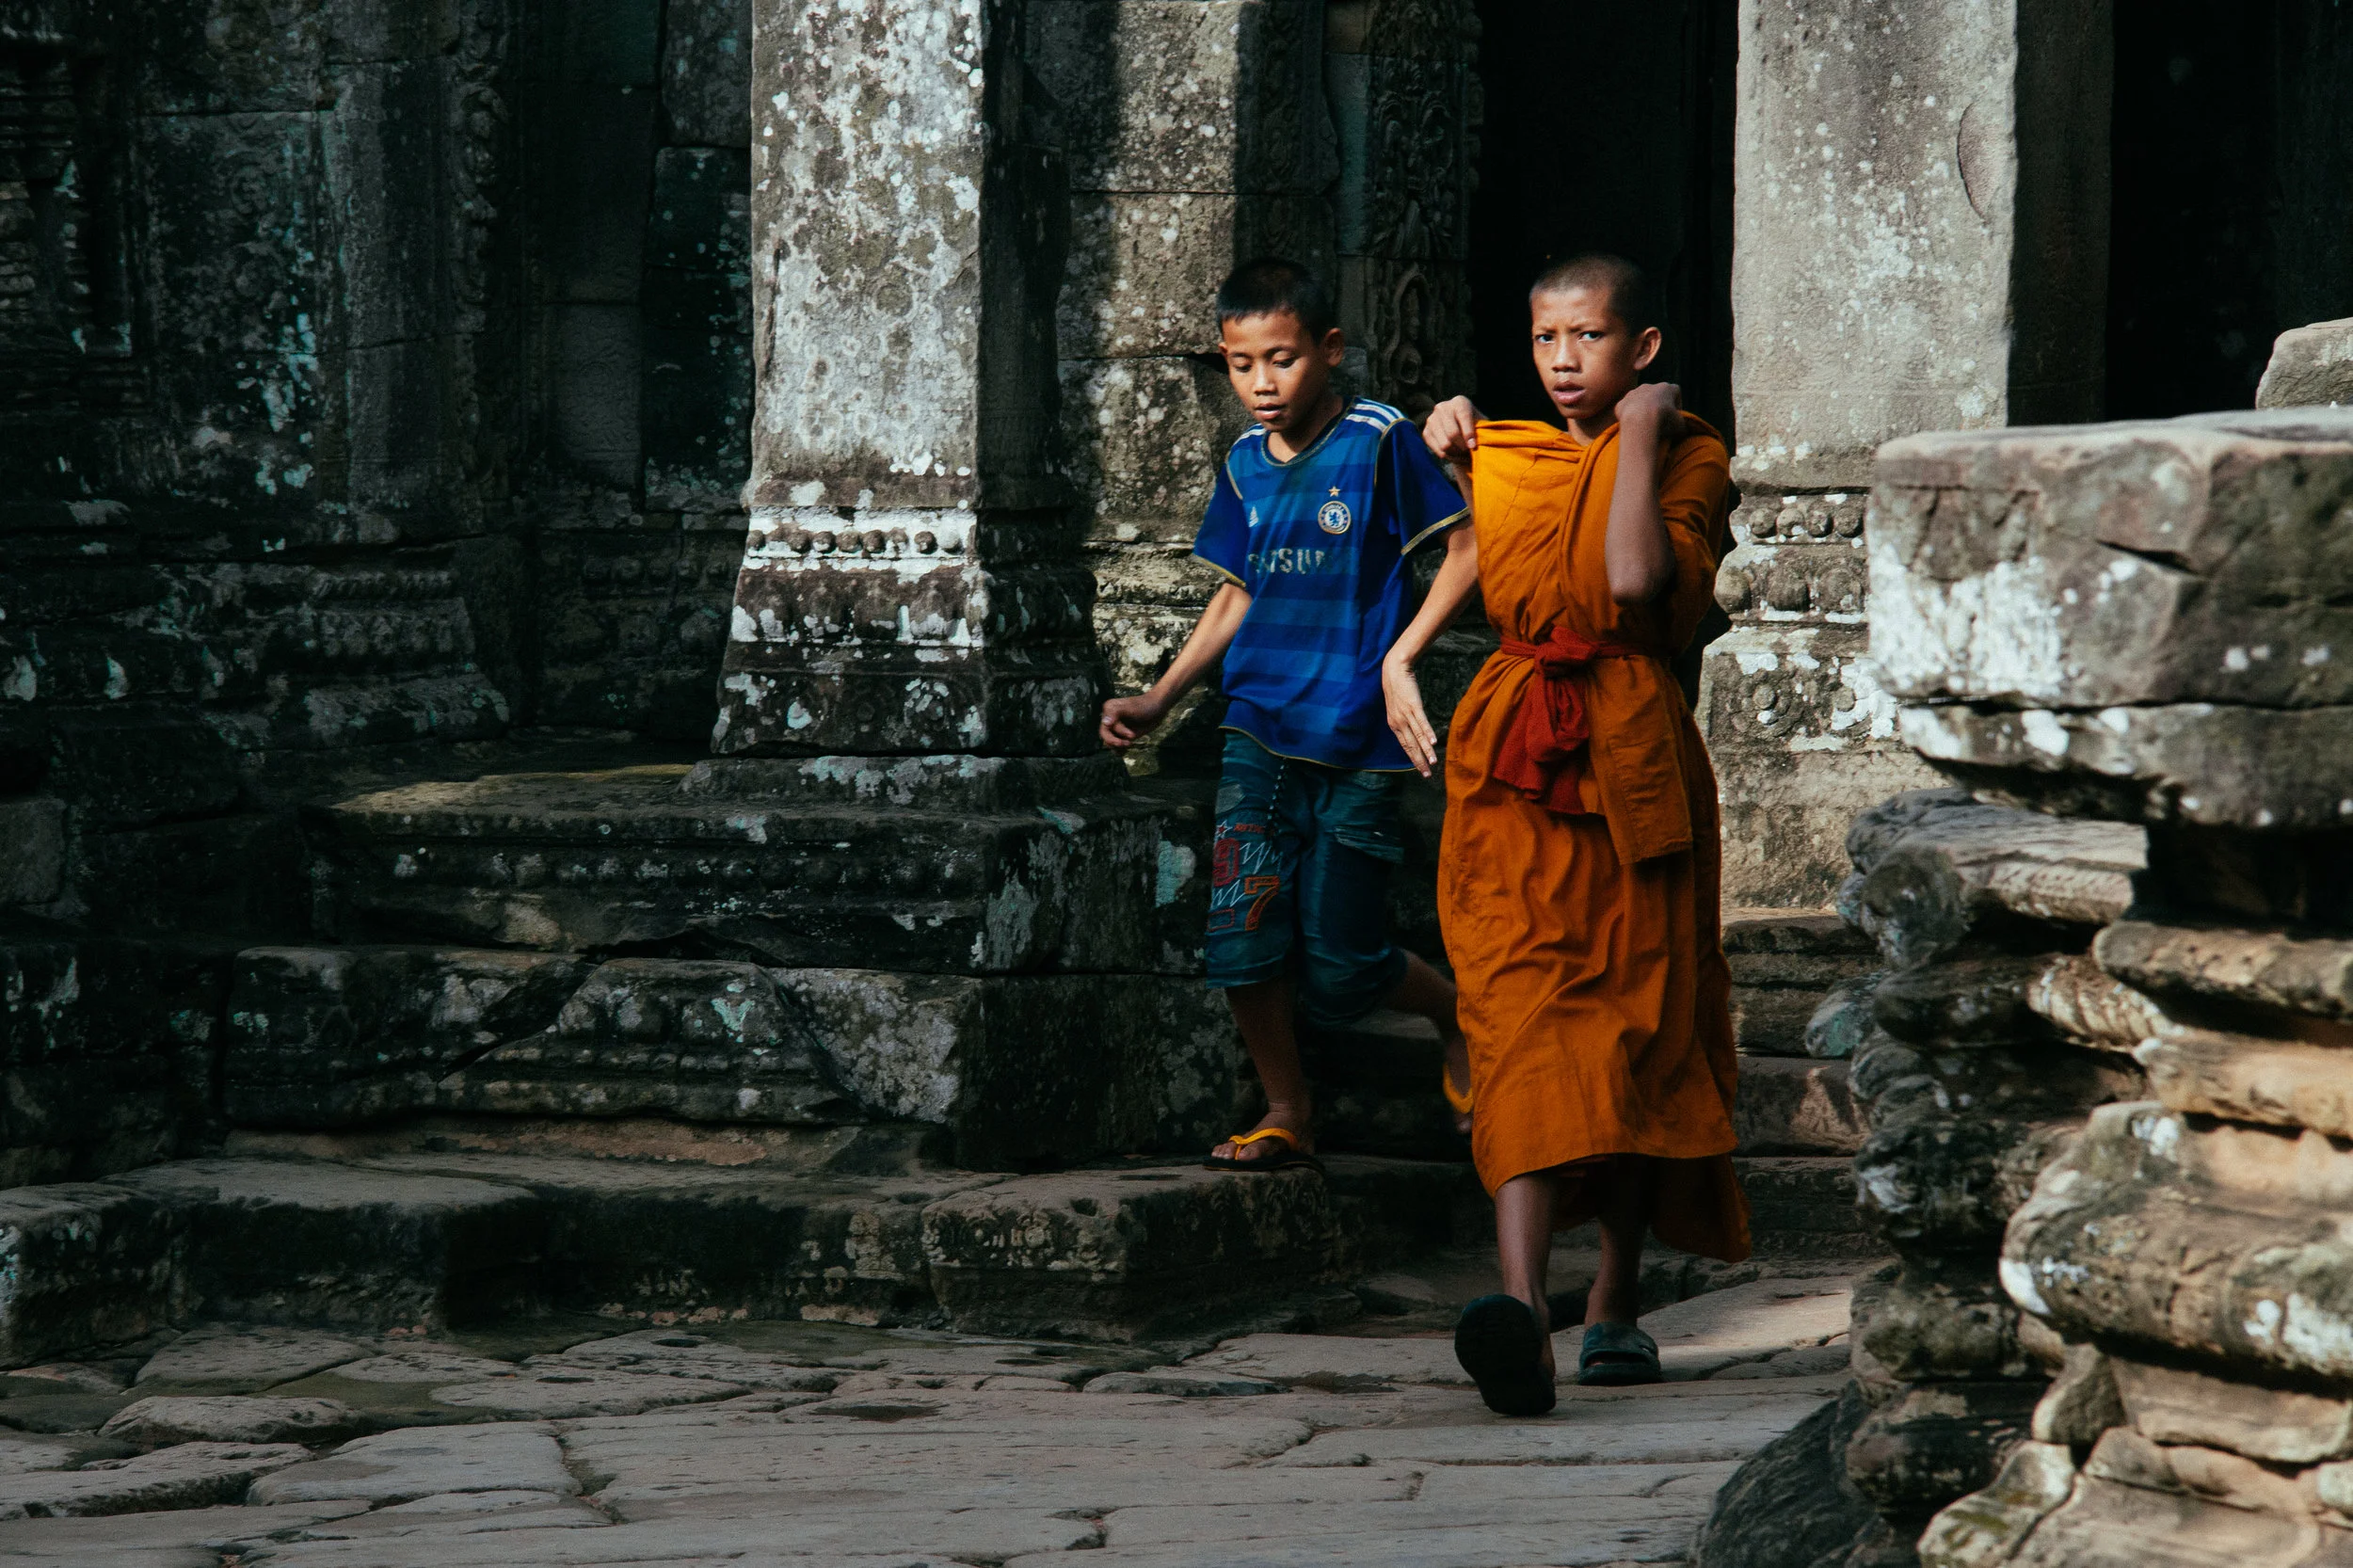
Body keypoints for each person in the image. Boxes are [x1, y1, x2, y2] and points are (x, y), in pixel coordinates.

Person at [1417, 254, 1749, 1415]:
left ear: (1642, 349)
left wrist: (1646, 440)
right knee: (1513, 1014)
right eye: (1546, 339)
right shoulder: (1502, 446)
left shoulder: (1692, 452)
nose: (1565, 362)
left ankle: (1613, 1292)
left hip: (1630, 745)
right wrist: (1445, 429)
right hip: (1511, 749)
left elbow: (1630, 582)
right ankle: (1520, 1309)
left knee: (1635, 1021)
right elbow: (1466, 522)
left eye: (1590, 339)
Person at [1099, 257, 1480, 1170]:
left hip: (1359, 742)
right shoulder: (1241, 465)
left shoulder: (1378, 439)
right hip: (1258, 730)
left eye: (1282, 359)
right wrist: (1160, 695)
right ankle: (1285, 1108)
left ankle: (1460, 1016)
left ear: (1329, 350)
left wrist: (1400, 655)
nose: (1262, 384)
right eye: (1242, 364)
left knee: (1343, 965)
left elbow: (1467, 548)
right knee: (1238, 936)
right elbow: (1236, 592)